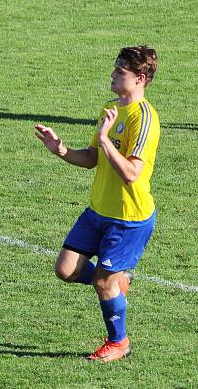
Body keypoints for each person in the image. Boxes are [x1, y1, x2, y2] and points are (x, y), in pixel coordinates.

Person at [34, 46, 160, 362]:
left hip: (128, 218)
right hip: (97, 211)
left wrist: (106, 139)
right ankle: (117, 283)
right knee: (65, 269)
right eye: (115, 68)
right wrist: (60, 149)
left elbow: (132, 173)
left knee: (103, 282)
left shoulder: (144, 119)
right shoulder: (109, 108)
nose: (113, 74)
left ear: (140, 79)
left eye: (121, 71)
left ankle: (119, 342)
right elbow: (91, 158)